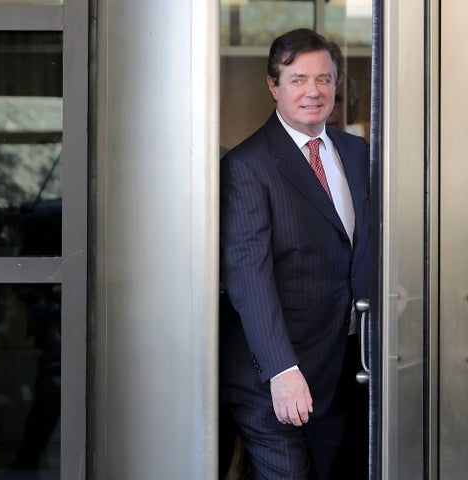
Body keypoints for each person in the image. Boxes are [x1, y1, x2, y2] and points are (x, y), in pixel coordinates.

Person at [220, 28, 370, 479]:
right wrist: (282, 371)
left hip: (344, 372)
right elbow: (249, 276)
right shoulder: (247, 166)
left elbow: (365, 248)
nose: (313, 91)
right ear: (273, 86)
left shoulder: (357, 153)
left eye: (324, 79)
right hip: (273, 378)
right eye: (299, 79)